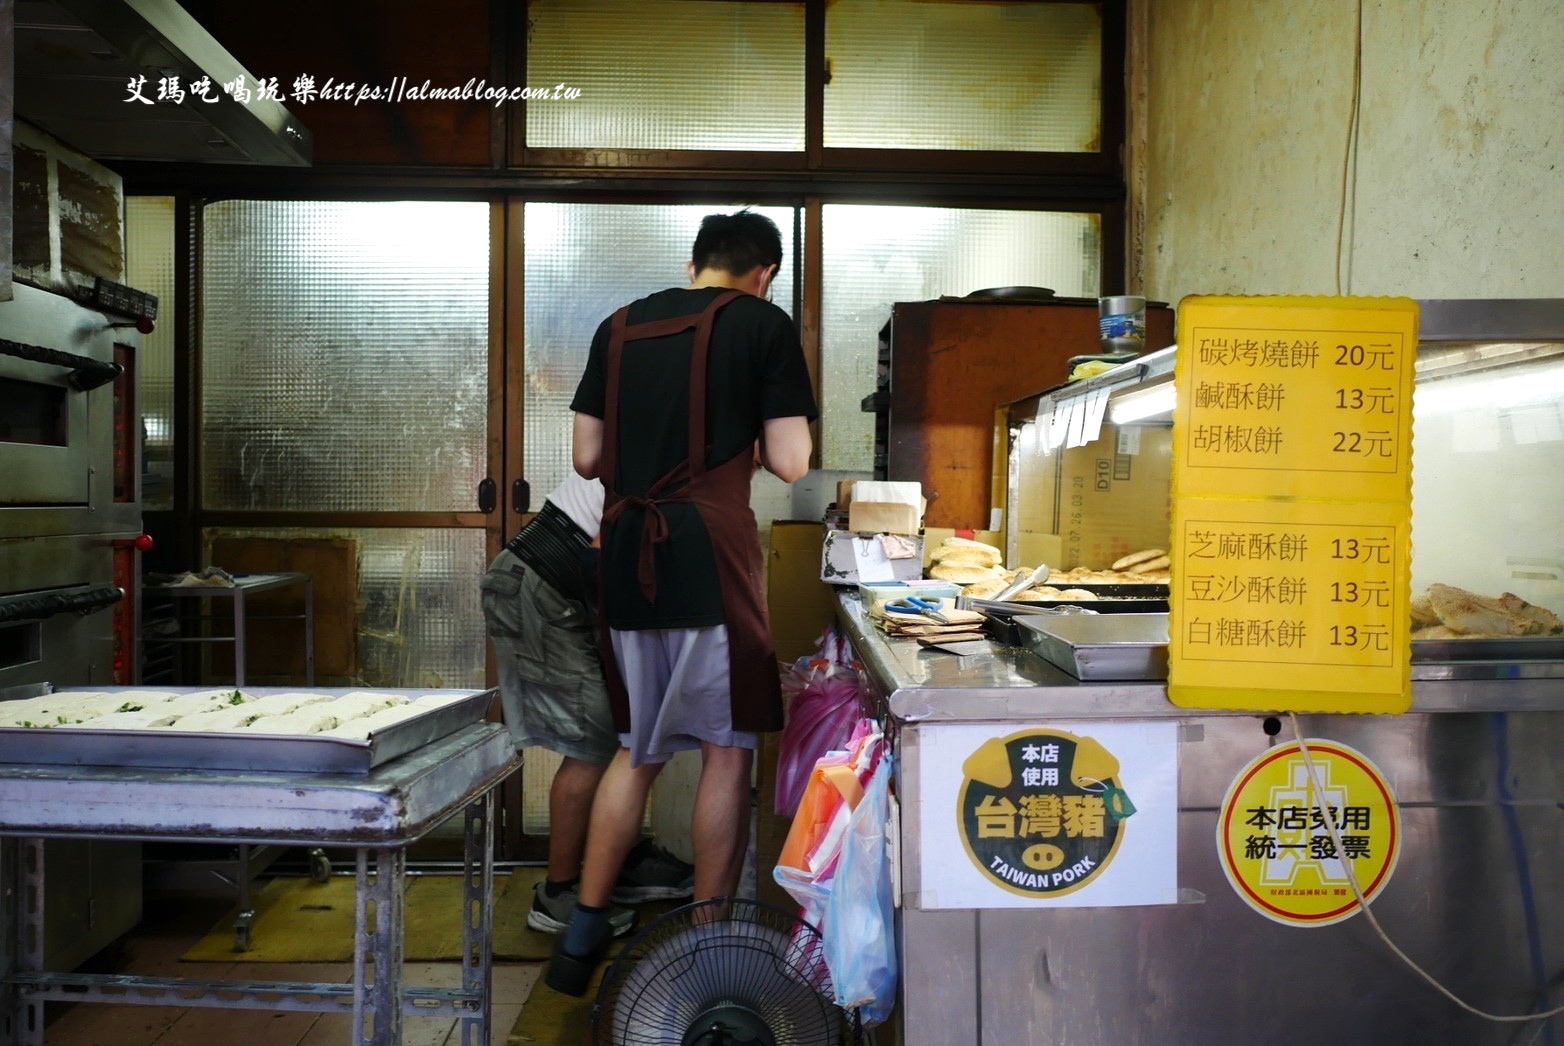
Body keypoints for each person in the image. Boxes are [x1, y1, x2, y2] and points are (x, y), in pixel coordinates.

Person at [545, 210, 816, 995]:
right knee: (727, 752)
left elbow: (588, 458)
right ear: (764, 272)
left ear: (695, 261)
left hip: (628, 553)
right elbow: (793, 461)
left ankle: (582, 935)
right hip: (710, 553)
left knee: (639, 747)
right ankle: (708, 945)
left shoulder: (619, 325)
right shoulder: (762, 325)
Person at [480, 471, 696, 940]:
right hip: (539, 590)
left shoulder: (671, 452)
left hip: (561, 591)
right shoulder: (662, 461)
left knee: (624, 728)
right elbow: (602, 552)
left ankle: (617, 860)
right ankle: (556, 892)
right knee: (595, 743)